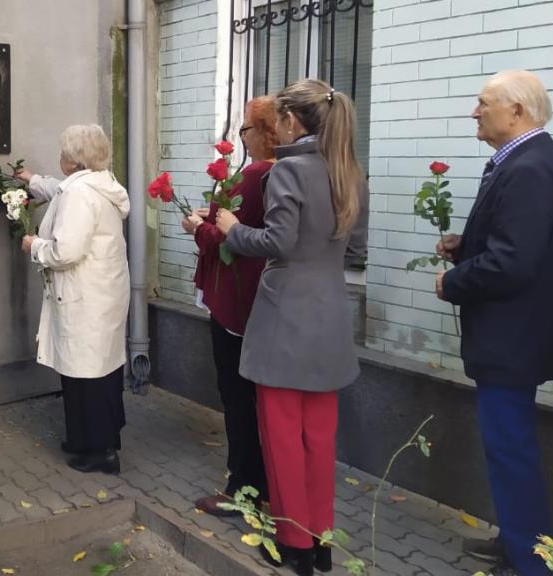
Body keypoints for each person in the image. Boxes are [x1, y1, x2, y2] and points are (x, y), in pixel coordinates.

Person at [216, 79, 368, 576]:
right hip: (330, 317)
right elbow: (356, 249)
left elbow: (277, 241)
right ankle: (321, 542)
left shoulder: (288, 172)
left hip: (285, 320)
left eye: (279, 117)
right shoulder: (348, 171)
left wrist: (230, 230)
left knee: (281, 436)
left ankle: (292, 543)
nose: (276, 126)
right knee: (320, 438)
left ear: (292, 121)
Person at [435, 69, 553, 576]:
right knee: (509, 448)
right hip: (521, 334)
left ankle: (529, 560)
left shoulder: (529, 168)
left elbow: (513, 263)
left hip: (513, 338)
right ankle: (519, 539)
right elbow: (521, 243)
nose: (475, 111)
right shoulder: (531, 160)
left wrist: (456, 280)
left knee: (509, 450)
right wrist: (464, 246)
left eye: (483, 102)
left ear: (516, 112)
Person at [180, 96, 278, 515]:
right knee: (259, 399)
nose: (239, 137)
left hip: (238, 295)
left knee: (237, 396)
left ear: (265, 132)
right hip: (266, 297)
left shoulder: (256, 174)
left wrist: (197, 226)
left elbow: (231, 239)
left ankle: (244, 487)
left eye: (244, 128)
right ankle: (267, 482)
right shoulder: (286, 175)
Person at [15, 124, 130, 474]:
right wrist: (32, 180)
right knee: (98, 370)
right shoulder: (99, 183)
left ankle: (100, 452)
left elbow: (67, 251)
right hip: (102, 293)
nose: (60, 157)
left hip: (85, 294)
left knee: (86, 375)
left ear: (75, 160)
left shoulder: (81, 194)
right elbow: (58, 190)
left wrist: (35, 247)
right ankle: (89, 439)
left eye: (65, 152)